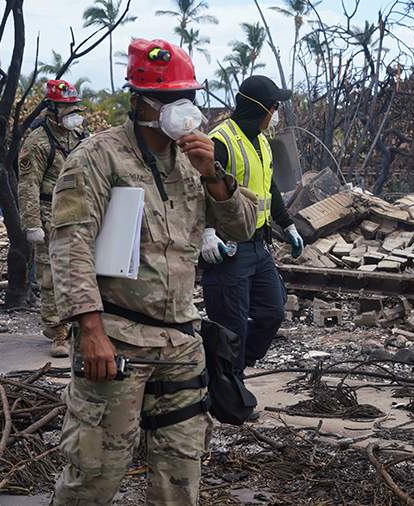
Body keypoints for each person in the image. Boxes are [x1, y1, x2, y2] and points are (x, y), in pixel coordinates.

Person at [50, 39, 257, 505]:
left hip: (181, 345)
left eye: (190, 98)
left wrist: (214, 173)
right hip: (118, 341)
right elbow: (70, 245)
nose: (184, 109)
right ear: (143, 102)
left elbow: (241, 226)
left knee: (181, 477)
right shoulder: (97, 158)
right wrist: (90, 329)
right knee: (95, 474)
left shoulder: (193, 162)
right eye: (171, 99)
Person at [201, 75, 304, 377]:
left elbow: (268, 187)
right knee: (231, 325)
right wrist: (206, 232)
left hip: (259, 245)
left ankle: (229, 371)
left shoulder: (262, 142)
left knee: (272, 312)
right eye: (274, 106)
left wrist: (288, 225)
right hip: (228, 247)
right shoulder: (219, 141)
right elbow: (200, 189)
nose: (276, 113)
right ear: (261, 108)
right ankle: (230, 390)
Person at [18, 79, 88, 357]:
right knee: (50, 276)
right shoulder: (37, 141)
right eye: (67, 107)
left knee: (80, 271)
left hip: (80, 211)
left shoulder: (80, 135)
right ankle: (57, 331)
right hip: (49, 212)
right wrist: (32, 223)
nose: (73, 112)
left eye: (75, 106)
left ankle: (76, 325)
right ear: (52, 108)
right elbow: (28, 185)